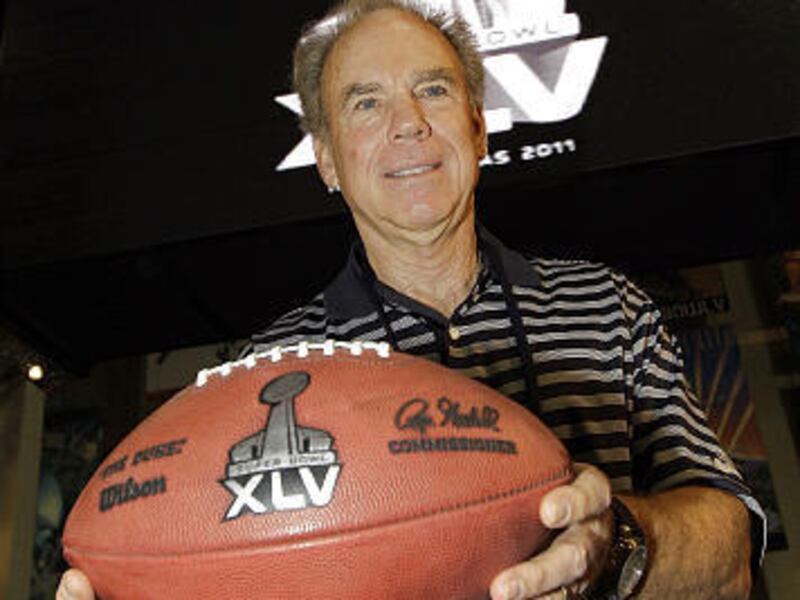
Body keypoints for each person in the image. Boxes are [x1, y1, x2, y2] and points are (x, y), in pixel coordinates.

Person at [58, 1, 764, 598]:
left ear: (478, 129)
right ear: (327, 159)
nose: (408, 124)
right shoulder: (267, 368)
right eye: (366, 102)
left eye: (433, 90)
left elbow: (731, 549)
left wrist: (617, 544)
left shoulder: (608, 307)